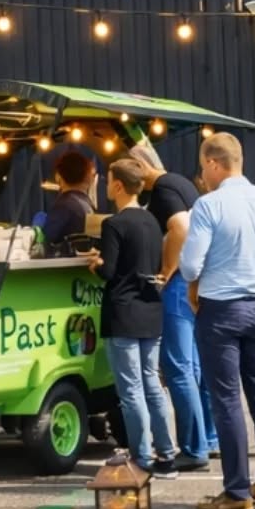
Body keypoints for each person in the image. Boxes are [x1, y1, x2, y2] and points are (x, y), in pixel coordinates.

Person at [179, 132, 255, 509]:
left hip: (220, 308)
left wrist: (196, 285)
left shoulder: (208, 205)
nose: (203, 175)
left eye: (204, 168)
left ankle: (236, 492)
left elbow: (189, 265)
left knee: (227, 398)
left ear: (215, 164)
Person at [125, 147, 218, 471]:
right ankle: (208, 437)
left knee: (177, 368)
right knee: (193, 366)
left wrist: (167, 269)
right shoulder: (181, 184)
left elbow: (180, 227)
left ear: (140, 165)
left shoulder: (164, 188)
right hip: (196, 281)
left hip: (179, 285)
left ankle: (194, 449)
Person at [87, 157, 178, 476]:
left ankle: (142, 457)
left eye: (108, 179)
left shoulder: (114, 224)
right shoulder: (153, 221)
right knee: (152, 383)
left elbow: (109, 271)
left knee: (131, 390)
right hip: (151, 309)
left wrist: (96, 263)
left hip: (123, 311)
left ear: (117, 185)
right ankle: (167, 455)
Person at [41, 150, 97, 247]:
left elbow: (48, 241)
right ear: (87, 176)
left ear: (58, 176)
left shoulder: (62, 206)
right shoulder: (87, 204)